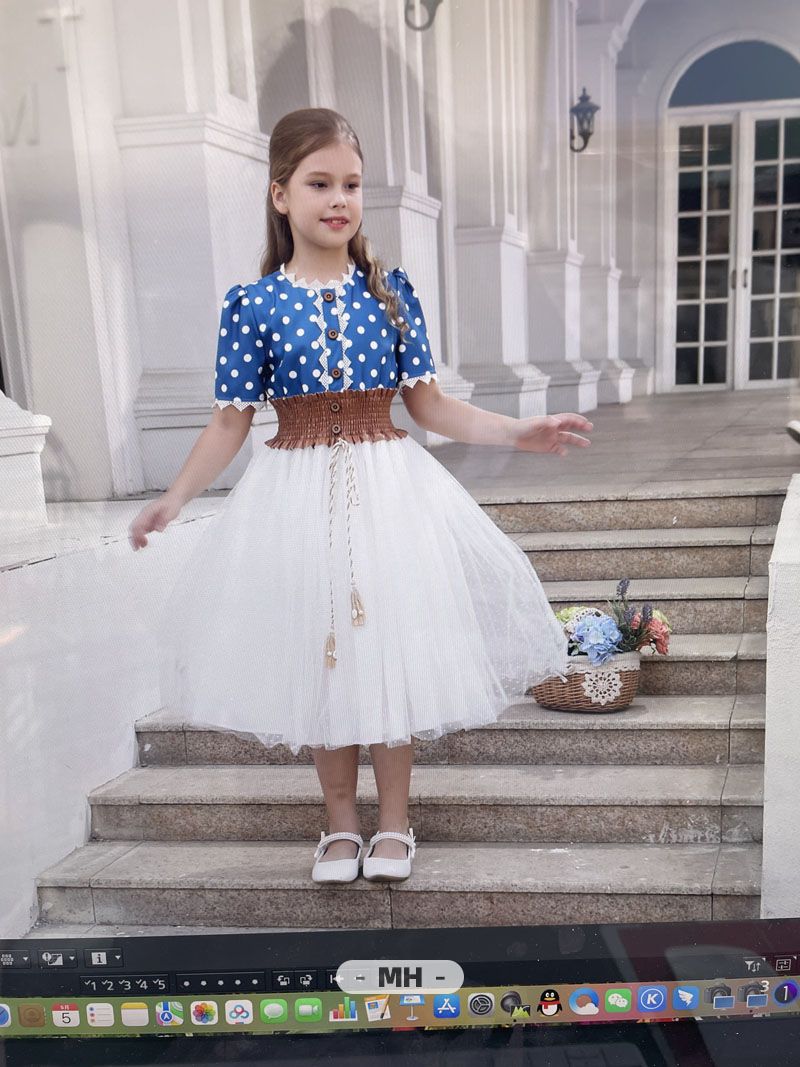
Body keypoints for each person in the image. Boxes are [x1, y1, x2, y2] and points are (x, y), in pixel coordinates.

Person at [128, 107, 593, 887]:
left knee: (389, 650)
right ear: (281, 195)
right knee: (326, 655)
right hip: (295, 498)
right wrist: (174, 499)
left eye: (351, 184)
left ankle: (396, 822)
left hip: (388, 494)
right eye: (319, 183)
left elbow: (430, 405)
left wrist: (520, 431)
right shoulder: (253, 305)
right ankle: (341, 823)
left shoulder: (391, 293)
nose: (339, 199)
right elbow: (229, 421)